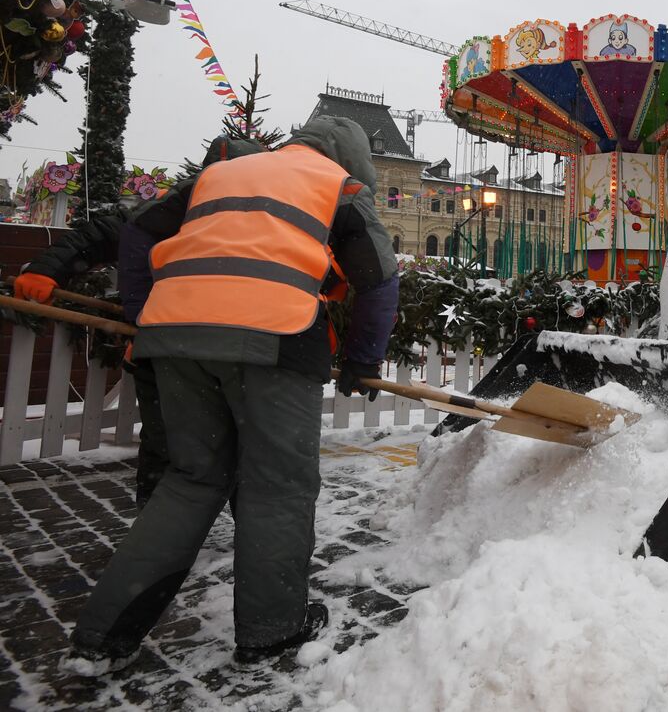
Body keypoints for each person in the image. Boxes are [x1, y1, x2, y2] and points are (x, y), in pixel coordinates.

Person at [67, 117, 399, 674]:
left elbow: (139, 231)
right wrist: (362, 361)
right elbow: (380, 278)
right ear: (351, 159)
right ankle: (272, 632)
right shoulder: (340, 187)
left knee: (189, 479)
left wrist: (143, 310)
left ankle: (104, 635)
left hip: (173, 333)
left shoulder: (220, 173)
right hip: (273, 336)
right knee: (278, 486)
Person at [12, 136, 263, 510]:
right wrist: (50, 269)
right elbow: (104, 233)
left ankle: (248, 533)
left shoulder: (267, 219)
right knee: (171, 442)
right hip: (171, 344)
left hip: (241, 348)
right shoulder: (176, 206)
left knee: (245, 443)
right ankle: (159, 527)